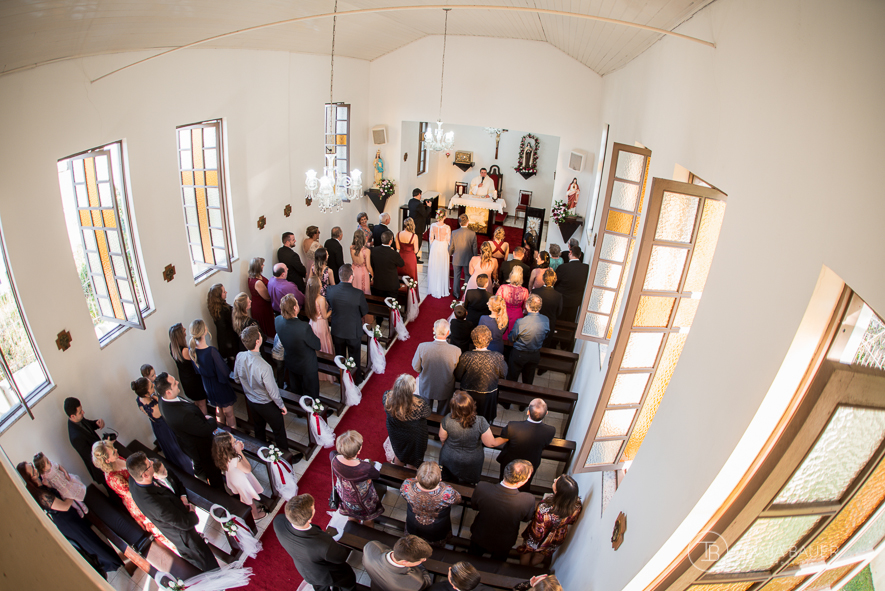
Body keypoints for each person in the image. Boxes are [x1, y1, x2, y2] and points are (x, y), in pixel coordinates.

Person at [17, 461, 123, 578]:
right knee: (91, 543)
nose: (35, 468)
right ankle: (113, 563)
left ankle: (115, 560)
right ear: (30, 478)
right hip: (67, 522)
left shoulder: (42, 483)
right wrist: (69, 493)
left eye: (32, 466)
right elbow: (64, 506)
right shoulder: (41, 495)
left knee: (92, 538)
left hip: (70, 516)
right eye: (32, 470)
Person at [127, 452, 219, 573]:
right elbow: (185, 523)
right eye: (149, 464)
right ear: (144, 474)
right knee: (207, 563)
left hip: (175, 515)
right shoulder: (155, 504)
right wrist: (192, 512)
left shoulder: (134, 480)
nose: (152, 462)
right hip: (185, 537)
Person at [91, 440, 175, 550]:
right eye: (113, 452)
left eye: (114, 449)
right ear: (107, 460)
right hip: (138, 499)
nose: (116, 451)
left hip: (143, 486)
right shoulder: (112, 478)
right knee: (160, 523)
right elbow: (132, 493)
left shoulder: (117, 458)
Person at [274, 494, 357, 591]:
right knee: (349, 581)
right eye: (313, 508)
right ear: (309, 519)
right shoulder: (322, 544)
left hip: (306, 571)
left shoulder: (278, 521)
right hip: (328, 574)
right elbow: (340, 557)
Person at [156, 371, 224, 489]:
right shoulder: (182, 415)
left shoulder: (163, 400)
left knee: (204, 467)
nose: (177, 382)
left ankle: (201, 473)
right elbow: (205, 430)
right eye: (174, 383)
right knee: (213, 472)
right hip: (201, 448)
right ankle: (222, 495)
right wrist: (211, 420)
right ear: (168, 392)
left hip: (189, 440)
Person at [232, 325, 291, 452]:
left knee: (259, 428)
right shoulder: (265, 367)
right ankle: (285, 460)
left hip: (251, 401)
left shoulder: (240, 356)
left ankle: (262, 451)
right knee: (279, 431)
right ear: (258, 341)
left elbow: (236, 378)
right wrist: (281, 405)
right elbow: (273, 392)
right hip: (266, 404)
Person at [469, 460, 536, 561]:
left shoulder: (482, 487)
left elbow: (474, 506)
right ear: (523, 481)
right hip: (505, 541)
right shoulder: (528, 499)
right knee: (498, 563)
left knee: (472, 557)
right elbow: (526, 518)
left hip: (480, 534)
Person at [438, 391, 506, 486]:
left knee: (448, 480)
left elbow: (442, 437)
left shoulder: (447, 419)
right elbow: (490, 443)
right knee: (468, 483)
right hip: (472, 459)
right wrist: (506, 438)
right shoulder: (480, 421)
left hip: (449, 456)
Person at [518, 475, 583, 566]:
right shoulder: (577, 506)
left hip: (537, 535)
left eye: (555, 482)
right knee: (541, 555)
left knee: (526, 551)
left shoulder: (544, 507)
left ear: (557, 492)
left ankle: (522, 569)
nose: (554, 479)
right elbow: (572, 521)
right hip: (556, 537)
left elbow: (537, 519)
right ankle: (531, 568)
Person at [132, 377, 193, 473]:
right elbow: (170, 410)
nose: (154, 386)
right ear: (146, 394)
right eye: (152, 386)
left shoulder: (139, 399)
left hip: (157, 427)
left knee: (169, 450)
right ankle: (188, 471)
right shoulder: (156, 407)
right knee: (178, 451)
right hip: (167, 429)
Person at [496, 398, 556, 491]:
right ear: (546, 413)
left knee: (505, 479)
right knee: (525, 482)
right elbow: (545, 444)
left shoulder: (513, 426)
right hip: (531, 462)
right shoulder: (550, 431)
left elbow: (503, 436)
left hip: (510, 460)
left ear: (528, 412)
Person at [454, 326, 508, 424]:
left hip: (468, 395)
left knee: (467, 418)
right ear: (489, 340)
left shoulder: (466, 356)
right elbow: (503, 374)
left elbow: (458, 375)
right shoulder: (497, 357)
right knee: (485, 420)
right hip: (488, 395)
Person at [188, 318, 237, 427]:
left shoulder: (192, 350)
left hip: (207, 385)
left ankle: (221, 431)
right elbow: (224, 371)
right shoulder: (211, 351)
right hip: (219, 385)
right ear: (204, 330)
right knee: (229, 413)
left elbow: (197, 370)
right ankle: (233, 435)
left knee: (218, 410)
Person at [325, 264, 369, 383]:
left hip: (337, 329)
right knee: (354, 357)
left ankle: (342, 377)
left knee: (340, 355)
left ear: (339, 277)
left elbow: (329, 305)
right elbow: (364, 311)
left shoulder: (330, 291)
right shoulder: (358, 294)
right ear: (351, 277)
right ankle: (356, 379)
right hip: (353, 331)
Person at [400, 462, 462, 546]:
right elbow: (458, 500)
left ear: (417, 477)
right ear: (440, 479)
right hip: (436, 527)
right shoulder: (447, 492)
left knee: (413, 543)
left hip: (414, 521)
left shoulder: (407, 485)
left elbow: (403, 494)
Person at [330, 430, 384, 526]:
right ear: (359, 451)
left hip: (345, 495)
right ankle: (366, 535)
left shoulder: (333, 457)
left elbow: (335, 453)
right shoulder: (365, 467)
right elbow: (376, 475)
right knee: (368, 518)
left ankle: (353, 528)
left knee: (351, 515)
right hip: (362, 499)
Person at [211, 432, 267, 519]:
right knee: (249, 500)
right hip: (241, 481)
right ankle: (255, 515)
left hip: (234, 478)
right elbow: (248, 469)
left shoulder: (222, 454)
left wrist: (237, 447)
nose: (236, 441)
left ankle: (252, 510)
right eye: (234, 442)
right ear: (228, 447)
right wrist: (239, 452)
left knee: (244, 496)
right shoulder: (235, 459)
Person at [275, 294, 322, 398]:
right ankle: (313, 411)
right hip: (307, 366)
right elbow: (317, 345)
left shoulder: (277, 321)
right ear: (295, 308)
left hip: (291, 362)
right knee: (311, 392)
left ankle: (300, 413)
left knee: (297, 391)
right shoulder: (303, 327)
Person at [412, 319, 462, 413]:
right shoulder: (456, 350)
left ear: (433, 330)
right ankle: (440, 426)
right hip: (445, 386)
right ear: (448, 332)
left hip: (427, 385)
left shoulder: (422, 347)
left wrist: (425, 372)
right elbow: (457, 371)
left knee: (425, 411)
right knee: (443, 413)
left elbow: (416, 367)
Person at [383, 374, 431, 468]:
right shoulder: (420, 404)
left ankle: (397, 477)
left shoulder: (387, 398)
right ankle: (408, 479)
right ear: (412, 391)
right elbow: (428, 413)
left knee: (399, 453)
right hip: (414, 437)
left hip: (396, 433)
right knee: (413, 461)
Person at [362, 535, 433, 591]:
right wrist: (421, 566)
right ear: (404, 562)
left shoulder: (371, 547)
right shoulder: (415, 582)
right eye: (421, 560)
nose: (425, 560)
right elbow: (427, 582)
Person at [507, 295, 550, 385]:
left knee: (512, 378)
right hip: (535, 354)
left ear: (527, 306)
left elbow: (511, 338)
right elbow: (546, 336)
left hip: (519, 353)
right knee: (528, 380)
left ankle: (508, 396)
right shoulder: (546, 320)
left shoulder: (521, 322)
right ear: (540, 307)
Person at [65, 396, 106, 485]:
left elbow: (87, 425)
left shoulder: (78, 419)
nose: (83, 412)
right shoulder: (75, 437)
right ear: (72, 416)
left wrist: (96, 423)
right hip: (100, 468)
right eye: (80, 412)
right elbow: (91, 457)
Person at [32, 452, 87, 516]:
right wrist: (47, 484)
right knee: (68, 498)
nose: (49, 461)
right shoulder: (44, 476)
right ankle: (78, 508)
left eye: (47, 459)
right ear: (43, 468)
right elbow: (50, 486)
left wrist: (65, 473)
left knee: (73, 492)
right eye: (47, 462)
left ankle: (82, 504)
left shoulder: (52, 464)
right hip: (60, 488)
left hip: (65, 481)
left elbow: (59, 467)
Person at [304, 276, 336, 383]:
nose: (322, 284)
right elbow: (325, 315)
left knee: (317, 347)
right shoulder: (320, 299)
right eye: (320, 283)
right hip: (321, 324)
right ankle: (327, 373)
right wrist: (332, 309)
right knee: (324, 345)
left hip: (312, 323)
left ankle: (318, 372)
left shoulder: (308, 296)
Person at [555, 244, 590, 322]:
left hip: (561, 299)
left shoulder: (563, 267)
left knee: (559, 321)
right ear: (580, 255)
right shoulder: (586, 268)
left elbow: (555, 282)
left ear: (570, 253)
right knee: (570, 321)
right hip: (575, 301)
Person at [207, 283, 238, 360]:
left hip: (221, 339)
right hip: (231, 339)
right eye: (224, 292)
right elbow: (234, 323)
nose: (226, 292)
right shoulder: (226, 310)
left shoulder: (213, 308)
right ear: (218, 296)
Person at [449, 215, 478, 299]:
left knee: (456, 276)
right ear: (468, 222)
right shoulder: (472, 233)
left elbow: (451, 247)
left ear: (459, 222)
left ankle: (456, 293)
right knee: (467, 276)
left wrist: (450, 253)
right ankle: (466, 293)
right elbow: (474, 248)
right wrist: (475, 258)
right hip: (468, 258)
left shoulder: (454, 233)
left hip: (457, 258)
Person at [532, 269, 562, 347]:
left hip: (535, 321)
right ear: (555, 280)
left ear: (543, 279)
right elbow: (559, 312)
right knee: (545, 344)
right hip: (549, 323)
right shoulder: (558, 296)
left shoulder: (535, 292)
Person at [371, 230, 405, 299]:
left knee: (379, 306)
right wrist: (394, 251)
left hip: (378, 284)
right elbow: (401, 264)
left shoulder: (374, 251)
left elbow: (372, 265)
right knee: (392, 304)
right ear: (390, 241)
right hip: (391, 286)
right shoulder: (394, 254)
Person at [248, 256, 276, 338]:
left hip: (259, 304)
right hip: (262, 307)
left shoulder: (253, 277)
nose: (263, 266)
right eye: (262, 264)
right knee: (266, 325)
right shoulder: (257, 282)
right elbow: (267, 297)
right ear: (257, 267)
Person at [498, 267, 530, 337]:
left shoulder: (503, 288)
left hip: (504, 315)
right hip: (518, 316)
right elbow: (526, 308)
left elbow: (496, 302)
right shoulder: (525, 291)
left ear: (511, 275)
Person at [427, 209, 452, 298]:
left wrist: (432, 247)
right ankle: (441, 286)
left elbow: (430, 239)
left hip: (435, 245)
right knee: (442, 266)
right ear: (444, 216)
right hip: (443, 246)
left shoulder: (433, 225)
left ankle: (433, 286)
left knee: (435, 266)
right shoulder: (447, 227)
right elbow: (449, 241)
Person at [407, 188, 432, 257]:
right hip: (418, 226)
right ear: (419, 194)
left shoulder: (411, 201)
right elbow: (425, 214)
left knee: (412, 241)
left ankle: (413, 255)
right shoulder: (419, 204)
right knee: (418, 242)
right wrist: (428, 207)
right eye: (420, 194)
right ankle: (414, 256)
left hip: (412, 224)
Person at [396, 217, 420, 284]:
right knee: (411, 278)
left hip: (400, 257)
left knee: (400, 276)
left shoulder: (398, 234)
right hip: (410, 259)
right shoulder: (414, 236)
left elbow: (398, 247)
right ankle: (411, 293)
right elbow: (416, 250)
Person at [350, 229, 374, 295]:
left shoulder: (351, 248)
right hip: (363, 272)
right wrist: (373, 275)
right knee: (363, 294)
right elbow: (368, 266)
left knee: (354, 292)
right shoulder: (366, 251)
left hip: (354, 271)